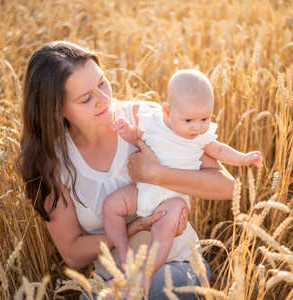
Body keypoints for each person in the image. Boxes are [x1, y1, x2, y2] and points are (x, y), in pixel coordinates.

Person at [17, 41, 236, 300]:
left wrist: (156, 174)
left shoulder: (148, 120)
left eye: (102, 83)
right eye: (86, 98)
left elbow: (228, 187)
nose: (104, 100)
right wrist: (129, 230)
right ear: (55, 110)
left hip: (177, 268)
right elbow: (73, 253)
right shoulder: (53, 161)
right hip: (112, 282)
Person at [102, 69, 262, 291]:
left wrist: (243, 158)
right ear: (167, 111)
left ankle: (146, 273)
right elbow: (137, 137)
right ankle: (122, 251)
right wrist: (126, 131)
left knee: (164, 229)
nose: (197, 127)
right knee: (112, 205)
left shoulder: (201, 137)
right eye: (188, 120)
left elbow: (220, 151)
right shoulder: (153, 123)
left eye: (205, 119)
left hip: (172, 200)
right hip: (143, 190)